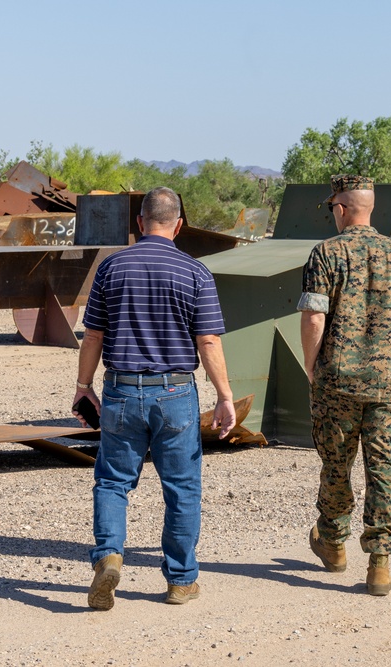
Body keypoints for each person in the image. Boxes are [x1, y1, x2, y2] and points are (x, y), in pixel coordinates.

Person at [72, 186, 236, 610]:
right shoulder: (195, 272)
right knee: (182, 488)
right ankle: (181, 581)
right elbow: (209, 341)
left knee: (112, 482)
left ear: (139, 223)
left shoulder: (112, 268)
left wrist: (83, 385)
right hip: (176, 392)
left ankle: (109, 556)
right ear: (179, 225)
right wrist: (225, 396)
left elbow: (92, 335)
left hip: (122, 391)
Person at [297, 174, 391, 596]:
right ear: (369, 208)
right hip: (387, 385)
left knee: (336, 465)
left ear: (340, 209)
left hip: (337, 383)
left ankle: (334, 545)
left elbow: (314, 316)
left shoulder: (326, 253)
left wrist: (311, 363)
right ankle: (379, 564)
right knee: (385, 469)